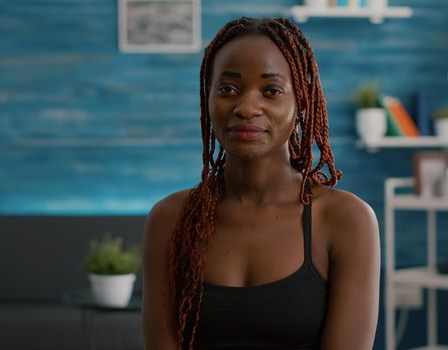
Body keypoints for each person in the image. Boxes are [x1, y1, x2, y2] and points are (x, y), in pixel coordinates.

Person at [142, 17, 380, 350]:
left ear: (301, 102)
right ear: (207, 99)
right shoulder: (170, 219)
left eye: (271, 91)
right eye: (228, 89)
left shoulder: (346, 220)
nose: (246, 107)